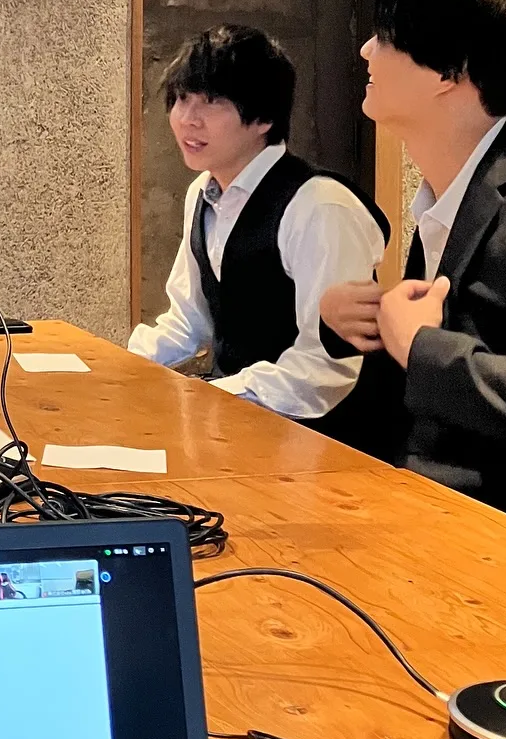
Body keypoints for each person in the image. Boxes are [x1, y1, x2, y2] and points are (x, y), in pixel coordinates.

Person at [319, 0, 506, 542]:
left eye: (387, 37)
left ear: (448, 73)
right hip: (419, 513)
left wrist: (421, 347)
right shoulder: (454, 188)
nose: (366, 50)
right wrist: (359, 326)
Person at [129, 25, 390, 447]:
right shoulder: (202, 193)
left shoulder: (318, 205)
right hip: (238, 428)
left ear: (264, 118)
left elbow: (326, 368)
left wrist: (213, 396)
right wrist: (119, 367)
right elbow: (188, 321)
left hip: (327, 444)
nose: (188, 119)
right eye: (181, 99)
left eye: (212, 102)